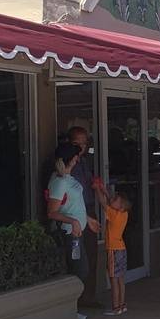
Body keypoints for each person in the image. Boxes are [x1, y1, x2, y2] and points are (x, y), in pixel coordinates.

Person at [46, 143, 100, 319]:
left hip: (78, 231)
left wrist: (87, 219)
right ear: (71, 159)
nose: (78, 158)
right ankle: (69, 308)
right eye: (76, 156)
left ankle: (72, 308)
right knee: (79, 269)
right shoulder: (59, 182)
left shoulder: (66, 179)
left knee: (79, 269)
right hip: (70, 233)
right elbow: (52, 212)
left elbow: (73, 205)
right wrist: (73, 221)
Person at [66, 127, 101, 308]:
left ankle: (89, 297)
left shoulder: (85, 163)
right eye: (76, 144)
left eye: (84, 143)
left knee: (92, 254)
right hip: (75, 213)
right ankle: (76, 300)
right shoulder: (66, 166)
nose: (80, 147)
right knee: (78, 257)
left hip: (89, 207)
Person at [93, 184, 131, 316]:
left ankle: (115, 307)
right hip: (122, 248)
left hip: (113, 250)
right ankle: (122, 304)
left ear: (119, 206)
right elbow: (110, 203)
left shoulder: (113, 214)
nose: (112, 199)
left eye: (116, 199)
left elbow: (103, 203)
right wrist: (106, 192)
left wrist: (97, 189)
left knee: (113, 279)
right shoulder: (123, 214)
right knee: (120, 279)